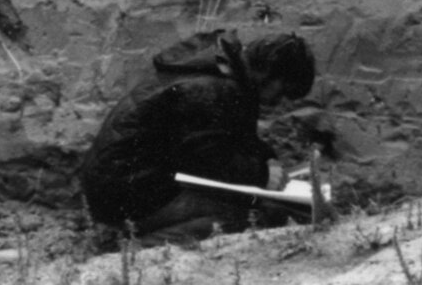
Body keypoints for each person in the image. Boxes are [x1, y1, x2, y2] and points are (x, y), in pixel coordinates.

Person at [81, 30, 318, 245]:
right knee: (241, 218)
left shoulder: (222, 75)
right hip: (126, 193)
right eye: (283, 90)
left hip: (126, 184)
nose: (279, 101)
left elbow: (227, 137)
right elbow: (208, 157)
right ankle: (139, 248)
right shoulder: (213, 88)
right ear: (270, 72)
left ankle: (139, 234)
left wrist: (266, 158)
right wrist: (261, 174)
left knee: (250, 206)